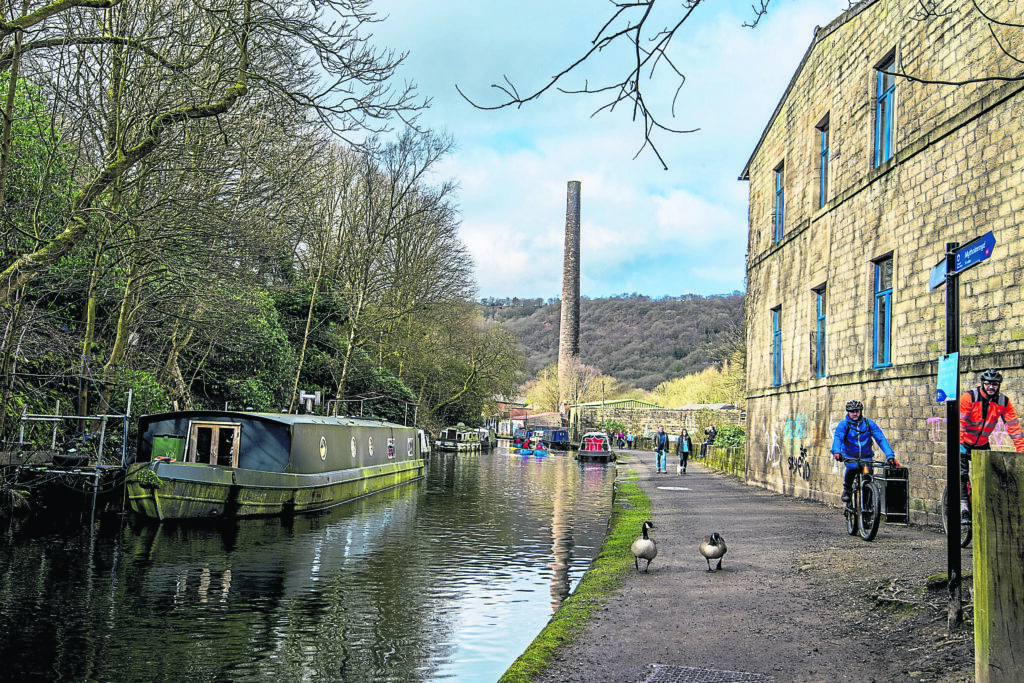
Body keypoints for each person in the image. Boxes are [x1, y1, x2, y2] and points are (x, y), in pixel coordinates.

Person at [958, 370, 1024, 523]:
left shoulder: (1003, 402)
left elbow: (1014, 428)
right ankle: (964, 509)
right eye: (988, 384)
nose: (991, 387)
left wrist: (1021, 451)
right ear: (983, 384)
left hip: (982, 443)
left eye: (994, 384)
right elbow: (959, 423)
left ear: (999, 385)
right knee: (962, 474)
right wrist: (961, 444)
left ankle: (982, 506)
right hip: (963, 441)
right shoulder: (969, 397)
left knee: (989, 475)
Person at [831, 400, 896, 503]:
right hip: (850, 456)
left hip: (866, 456)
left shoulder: (868, 424)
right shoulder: (843, 425)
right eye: (852, 411)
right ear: (848, 412)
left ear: (861, 411)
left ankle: (868, 505)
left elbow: (881, 439)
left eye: (857, 411)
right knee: (852, 468)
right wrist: (837, 452)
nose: (855, 413)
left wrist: (890, 456)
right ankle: (847, 489)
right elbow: (838, 438)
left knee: (868, 477)